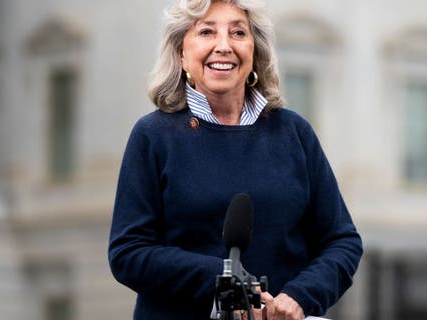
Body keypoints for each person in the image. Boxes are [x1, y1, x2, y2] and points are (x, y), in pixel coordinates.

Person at [108, 0, 363, 319]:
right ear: (181, 54)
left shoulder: (293, 132)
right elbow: (128, 252)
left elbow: (342, 241)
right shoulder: (154, 136)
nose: (223, 46)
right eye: (206, 32)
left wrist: (298, 297)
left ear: (255, 52)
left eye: (238, 32)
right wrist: (225, 282)